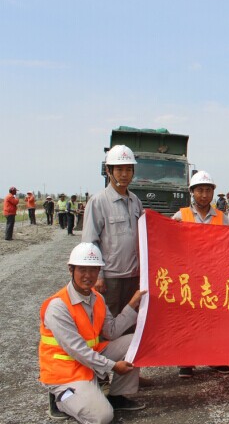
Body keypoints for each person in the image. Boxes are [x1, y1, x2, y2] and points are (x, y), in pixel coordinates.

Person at [40, 242, 147, 422]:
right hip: (66, 371)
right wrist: (112, 366)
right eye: (82, 269)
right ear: (71, 270)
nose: (88, 275)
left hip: (89, 359)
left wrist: (133, 304)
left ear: (99, 272)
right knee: (102, 416)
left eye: (93, 270)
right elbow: (77, 350)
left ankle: (116, 397)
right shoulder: (58, 307)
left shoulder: (97, 298)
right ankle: (60, 398)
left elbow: (111, 332)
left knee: (135, 342)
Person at [172, 170, 229, 378]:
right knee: (188, 319)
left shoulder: (223, 219)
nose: (204, 195)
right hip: (189, 277)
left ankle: (216, 358)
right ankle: (186, 362)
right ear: (192, 192)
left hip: (214, 277)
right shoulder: (180, 217)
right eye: (200, 190)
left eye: (208, 190)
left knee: (214, 319)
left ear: (213, 192)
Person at [82, 145, 143, 318]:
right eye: (119, 169)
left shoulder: (136, 202)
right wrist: (98, 276)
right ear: (109, 171)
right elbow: (89, 242)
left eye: (128, 169)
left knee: (130, 322)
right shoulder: (98, 202)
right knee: (108, 323)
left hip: (133, 277)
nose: (124, 174)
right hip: (110, 279)